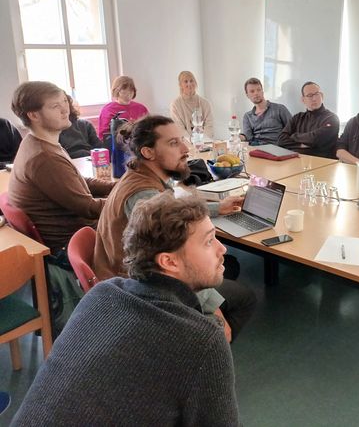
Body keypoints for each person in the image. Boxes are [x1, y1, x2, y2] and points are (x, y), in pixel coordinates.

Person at [11, 193, 240, 426]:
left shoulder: (101, 294)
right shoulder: (202, 340)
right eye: (209, 241)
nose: (222, 250)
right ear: (169, 262)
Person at [93, 115, 256, 341]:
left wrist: (218, 207)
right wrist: (212, 310)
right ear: (148, 152)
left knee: (228, 265)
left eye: (182, 140)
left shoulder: (142, 176)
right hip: (140, 288)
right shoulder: (144, 195)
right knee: (244, 296)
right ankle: (208, 350)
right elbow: (173, 264)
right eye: (173, 143)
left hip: (132, 273)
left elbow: (172, 215)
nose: (185, 148)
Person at [9, 81, 114, 253]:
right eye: (55, 106)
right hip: (76, 245)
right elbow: (88, 208)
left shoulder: (39, 142)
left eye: (65, 101)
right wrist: (131, 199)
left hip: (79, 234)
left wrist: (117, 187)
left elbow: (77, 180)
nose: (66, 110)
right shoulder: (44, 158)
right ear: (34, 115)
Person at [277, 81, 340, 158]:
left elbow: (315, 139)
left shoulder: (332, 118)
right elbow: (281, 140)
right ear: (303, 100)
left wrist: (294, 136)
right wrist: (300, 145)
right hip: (296, 161)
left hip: (323, 163)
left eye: (317, 94)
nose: (314, 99)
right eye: (309, 95)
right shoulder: (297, 117)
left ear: (322, 96)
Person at [97, 75, 149, 143]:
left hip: (140, 143)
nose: (128, 93)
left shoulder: (141, 108)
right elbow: (104, 136)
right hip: (117, 144)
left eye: (131, 90)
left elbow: (150, 128)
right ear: (116, 91)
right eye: (124, 90)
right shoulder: (108, 110)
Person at [241, 77, 292, 145]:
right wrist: (238, 137)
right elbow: (248, 138)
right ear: (247, 95)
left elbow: (292, 129)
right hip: (256, 148)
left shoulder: (279, 109)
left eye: (258, 90)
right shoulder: (247, 116)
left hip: (276, 148)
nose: (256, 93)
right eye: (252, 91)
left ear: (262, 91)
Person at [170, 70, 214, 138]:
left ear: (195, 83)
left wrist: (203, 141)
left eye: (191, 81)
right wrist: (192, 142)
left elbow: (209, 125)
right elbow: (179, 128)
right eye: (186, 81)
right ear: (180, 85)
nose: (189, 84)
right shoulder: (175, 105)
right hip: (186, 144)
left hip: (205, 143)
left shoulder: (205, 103)